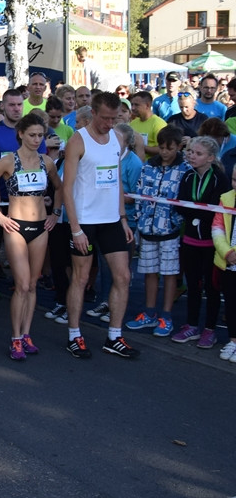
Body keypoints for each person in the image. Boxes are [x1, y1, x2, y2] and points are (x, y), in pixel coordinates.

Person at [0, 112, 62, 360]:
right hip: (15, 226)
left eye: (40, 136)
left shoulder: (47, 161)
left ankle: (26, 334)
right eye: (32, 135)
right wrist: (0, 216)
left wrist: (55, 213)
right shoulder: (8, 161)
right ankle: (15, 337)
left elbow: (60, 187)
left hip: (40, 227)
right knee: (22, 284)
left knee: (32, 284)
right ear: (21, 134)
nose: (37, 140)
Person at [61, 91, 139, 359]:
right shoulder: (77, 141)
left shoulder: (117, 138)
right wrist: (75, 228)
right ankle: (74, 334)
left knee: (124, 276)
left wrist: (123, 218)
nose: (108, 123)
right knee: (81, 278)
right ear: (93, 113)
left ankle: (114, 336)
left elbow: (115, 179)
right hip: (84, 221)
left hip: (111, 220)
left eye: (113, 118)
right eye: (105, 117)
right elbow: (67, 188)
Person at [125, 126, 187, 336]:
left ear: (179, 147)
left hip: (170, 232)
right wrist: (141, 219)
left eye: (170, 148)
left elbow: (183, 202)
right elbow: (140, 193)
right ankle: (149, 313)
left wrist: (173, 220)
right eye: (161, 148)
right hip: (148, 230)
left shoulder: (184, 169)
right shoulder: (148, 167)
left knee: (169, 274)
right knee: (149, 272)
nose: (165, 152)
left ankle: (166, 316)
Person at [171, 136, 226, 346]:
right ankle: (192, 325)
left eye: (198, 153)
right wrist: (195, 211)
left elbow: (214, 211)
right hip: (190, 240)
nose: (192, 156)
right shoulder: (187, 176)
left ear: (210, 158)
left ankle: (209, 329)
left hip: (211, 244)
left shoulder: (218, 178)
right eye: (191, 152)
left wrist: (194, 210)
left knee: (211, 288)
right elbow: (180, 205)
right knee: (192, 285)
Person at [211, 166, 236, 363]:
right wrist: (226, 252)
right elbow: (217, 227)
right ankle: (233, 340)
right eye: (234, 180)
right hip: (229, 263)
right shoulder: (226, 198)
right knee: (231, 304)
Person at [129, 91, 166, 160]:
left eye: (136, 105)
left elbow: (164, 149)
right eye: (132, 104)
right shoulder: (132, 123)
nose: (133, 108)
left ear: (147, 105)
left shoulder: (158, 124)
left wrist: (141, 146)